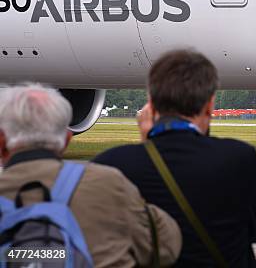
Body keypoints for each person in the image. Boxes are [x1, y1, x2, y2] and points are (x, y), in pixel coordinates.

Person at [94, 50, 256, 267]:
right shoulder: (236, 158)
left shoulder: (112, 164)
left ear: (151, 105)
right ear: (210, 106)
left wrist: (148, 143)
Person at [0, 84, 181, 267]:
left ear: (1, 141)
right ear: (67, 140)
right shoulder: (109, 184)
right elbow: (166, 246)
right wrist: (148, 147)